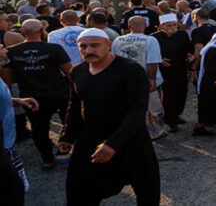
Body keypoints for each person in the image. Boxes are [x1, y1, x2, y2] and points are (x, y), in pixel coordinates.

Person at [58, 28, 161, 205]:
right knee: (79, 189)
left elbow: (137, 110)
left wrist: (113, 143)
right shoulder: (78, 71)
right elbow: (75, 106)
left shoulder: (131, 71)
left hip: (131, 139)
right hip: (91, 138)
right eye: (83, 46)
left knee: (146, 189)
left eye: (95, 45)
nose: (89, 50)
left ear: (109, 45)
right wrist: (67, 136)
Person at [1, 19, 72, 168]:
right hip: (58, 93)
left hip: (31, 96)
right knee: (67, 122)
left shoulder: (12, 51)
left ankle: (47, 159)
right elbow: (69, 72)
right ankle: (63, 150)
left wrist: (9, 96)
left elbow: (6, 77)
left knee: (39, 128)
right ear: (42, 30)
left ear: (21, 32)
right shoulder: (54, 48)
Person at [111, 16, 166, 140]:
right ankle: (155, 132)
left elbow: (113, 60)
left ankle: (128, 131)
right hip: (145, 79)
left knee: (128, 107)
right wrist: (152, 79)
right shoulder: (150, 40)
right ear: (145, 25)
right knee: (153, 107)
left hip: (124, 79)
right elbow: (152, 62)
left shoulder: (118, 40)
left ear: (129, 26)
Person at [151, 14, 193, 132]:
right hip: (165, 71)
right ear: (161, 26)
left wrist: (190, 54)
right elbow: (150, 53)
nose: (172, 27)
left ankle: (176, 114)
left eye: (174, 25)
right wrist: (160, 59)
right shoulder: (154, 37)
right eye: (168, 25)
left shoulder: (182, 35)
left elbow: (189, 48)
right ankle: (169, 120)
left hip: (180, 69)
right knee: (169, 96)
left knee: (181, 94)